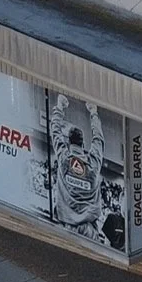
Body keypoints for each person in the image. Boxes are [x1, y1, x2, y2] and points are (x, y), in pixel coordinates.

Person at [50, 95, 104, 243]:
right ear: (83, 143)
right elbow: (98, 139)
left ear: (69, 141)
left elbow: (55, 131)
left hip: (67, 228)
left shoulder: (64, 158)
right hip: (89, 231)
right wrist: (93, 112)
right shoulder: (93, 164)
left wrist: (60, 106)